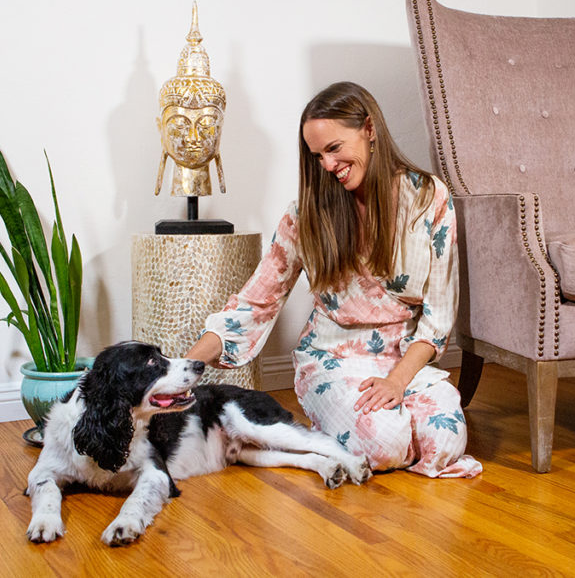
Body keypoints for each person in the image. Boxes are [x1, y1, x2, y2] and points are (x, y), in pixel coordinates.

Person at [186, 82, 481, 478]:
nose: (327, 165)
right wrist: (183, 370)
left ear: (369, 129)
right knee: (385, 445)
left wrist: (396, 382)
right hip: (333, 358)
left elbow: (439, 314)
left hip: (404, 359)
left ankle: (364, 431)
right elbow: (255, 303)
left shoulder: (428, 196)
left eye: (334, 148)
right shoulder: (306, 215)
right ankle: (349, 426)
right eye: (317, 155)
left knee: (445, 443)